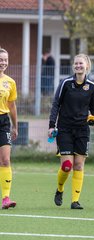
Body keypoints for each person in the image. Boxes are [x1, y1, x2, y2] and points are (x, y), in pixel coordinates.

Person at [48, 53, 94, 210]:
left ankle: (75, 201)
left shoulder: (92, 86)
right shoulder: (65, 83)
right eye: (76, 63)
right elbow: (56, 104)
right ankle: (59, 189)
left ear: (87, 66)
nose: (78, 66)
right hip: (64, 128)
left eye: (81, 63)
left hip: (82, 130)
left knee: (78, 165)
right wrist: (52, 125)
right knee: (66, 166)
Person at [0, 47, 18, 209]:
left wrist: (15, 126)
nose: (3, 62)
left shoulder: (10, 82)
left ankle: (6, 198)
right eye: (0, 59)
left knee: (5, 160)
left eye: (5, 60)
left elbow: (12, 106)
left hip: (3, 122)